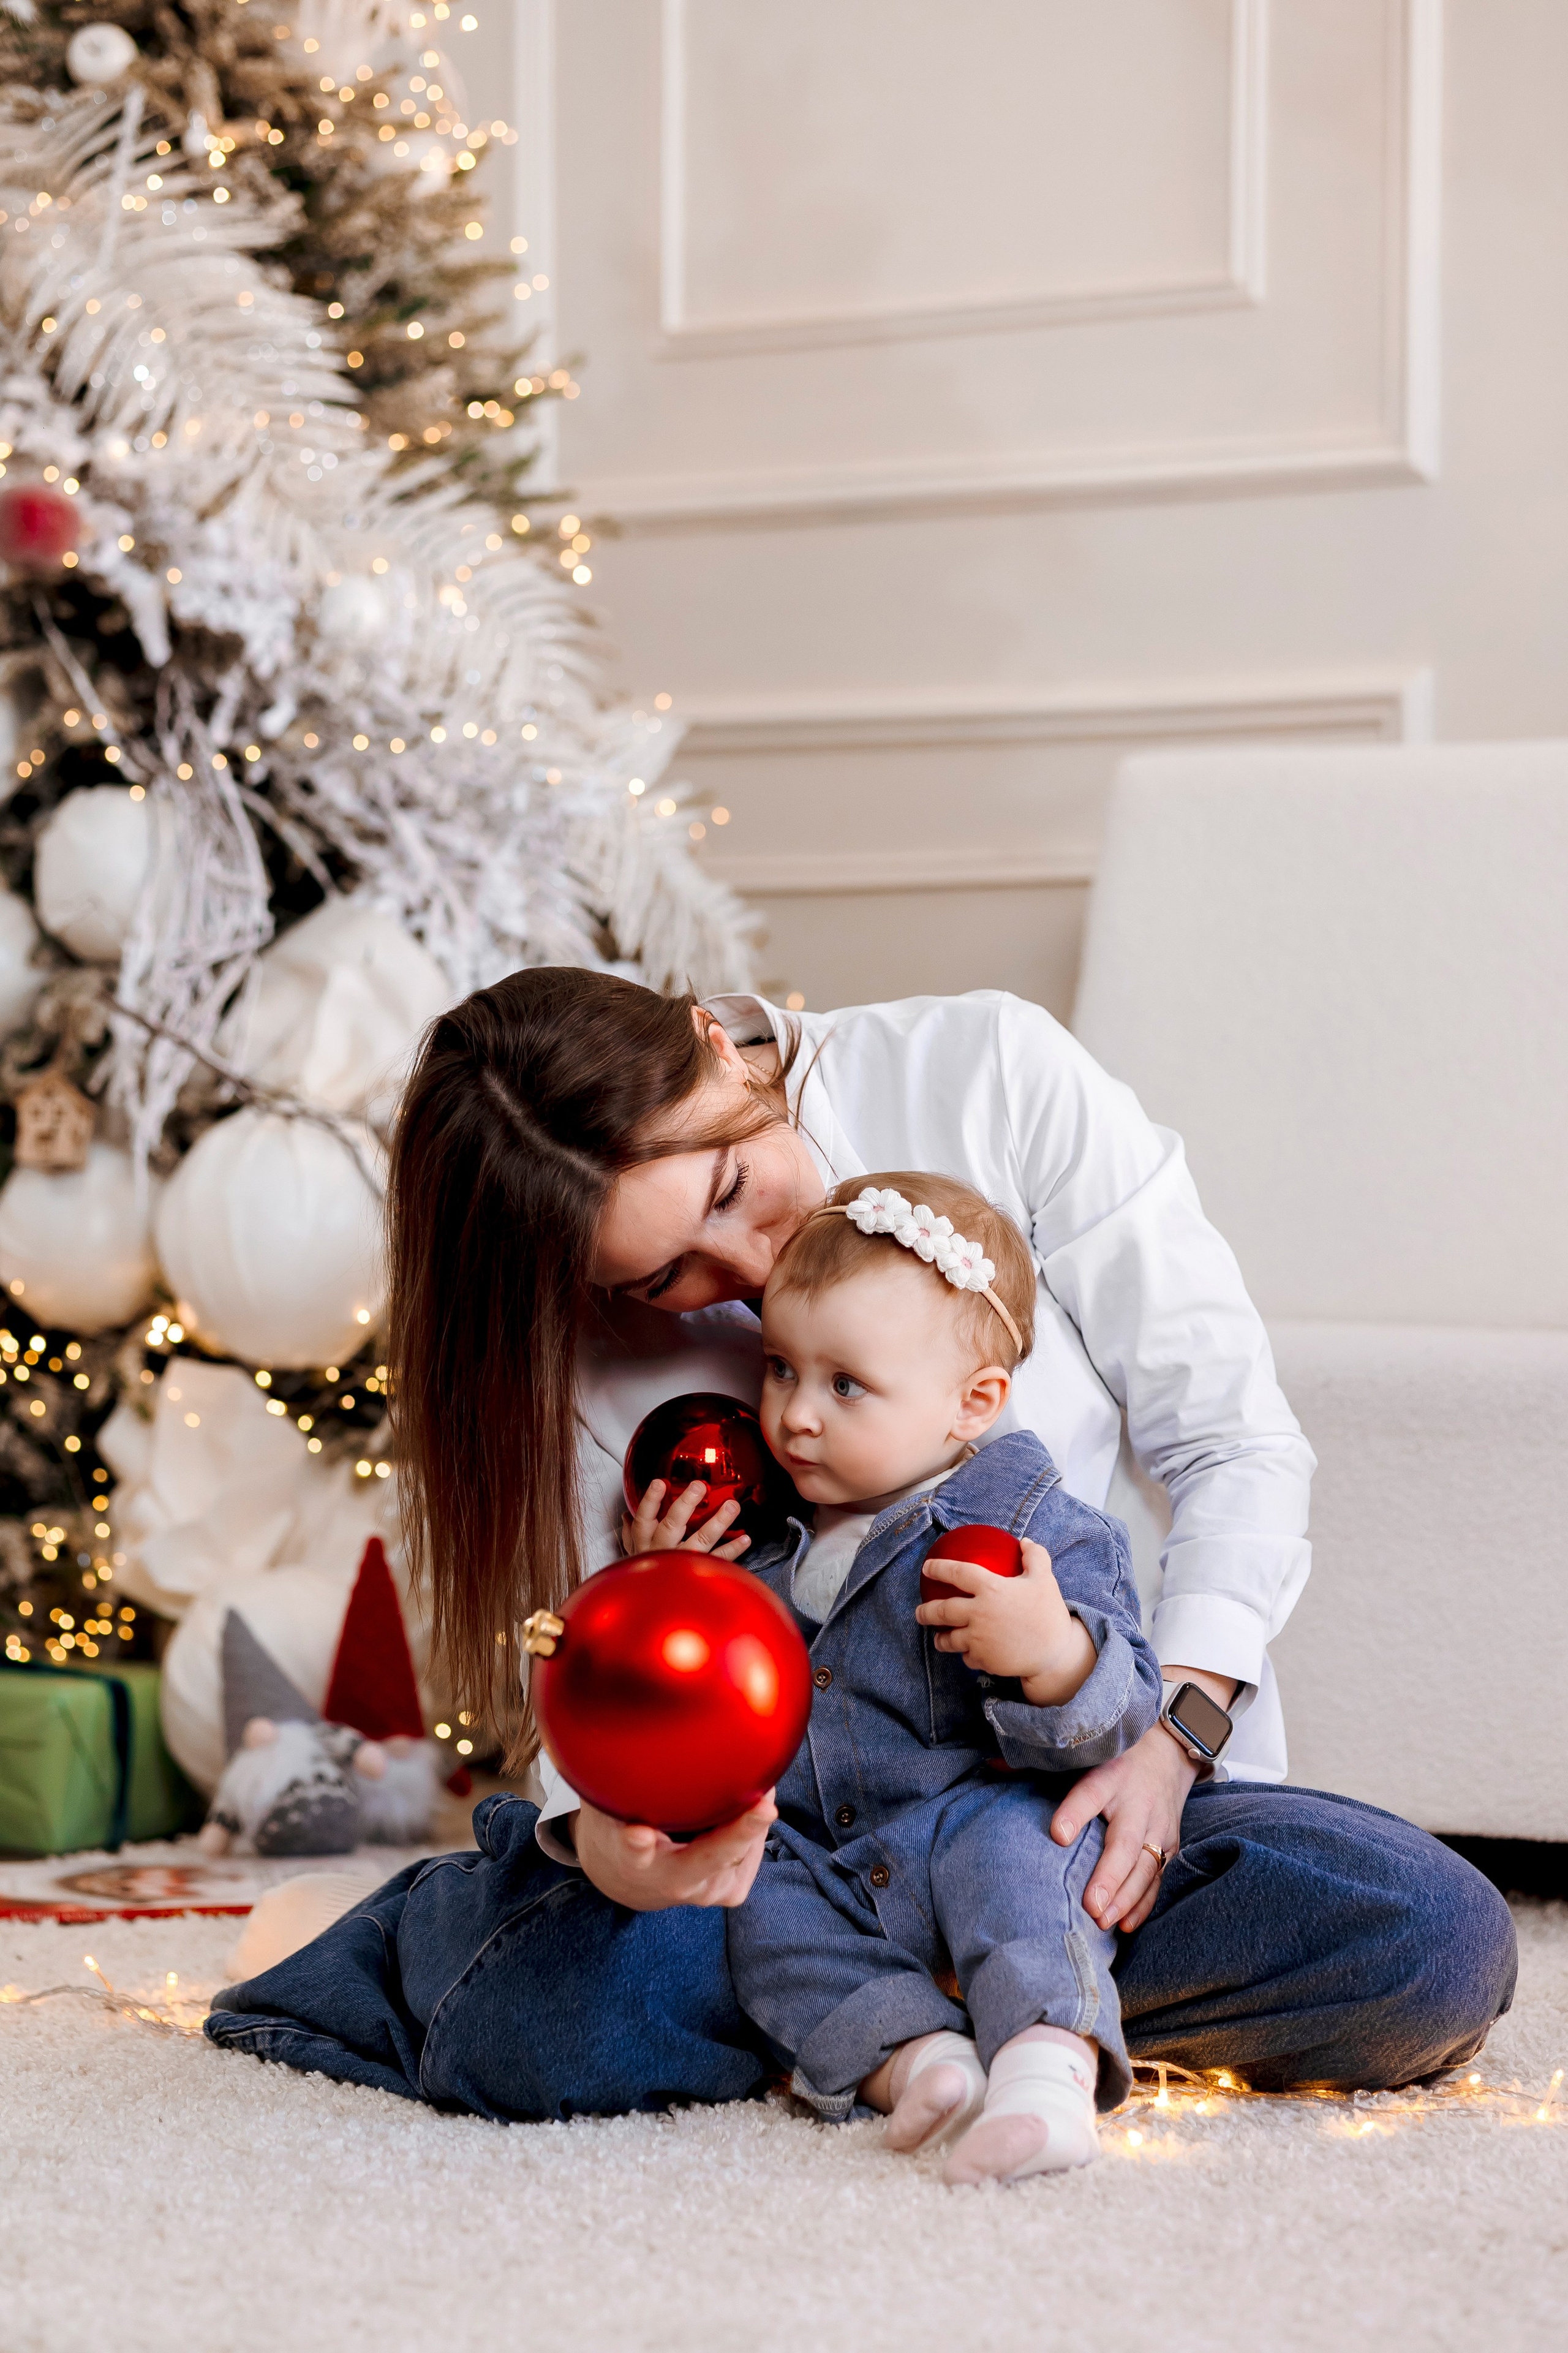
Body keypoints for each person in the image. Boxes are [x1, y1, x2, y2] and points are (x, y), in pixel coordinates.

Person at [206, 970, 1517, 2118]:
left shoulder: (988, 1074)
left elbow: (1230, 1443)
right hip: (783, 1865)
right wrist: (614, 1839)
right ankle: (979, 2012)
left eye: (729, 1183)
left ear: (713, 1042)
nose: (746, 1262)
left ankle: (898, 2015)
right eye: (663, 1276)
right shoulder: (583, 1349)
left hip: (1072, 1813)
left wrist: (1171, 1746)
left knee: (1430, 1942)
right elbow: (593, 1680)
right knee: (547, 2018)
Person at [633, 1171, 1163, 2183]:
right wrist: (670, 1584)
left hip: (972, 1819)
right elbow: (699, 1710)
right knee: (758, 1903)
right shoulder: (760, 1538)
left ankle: (1046, 2079)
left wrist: (1053, 1653)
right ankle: (915, 2060)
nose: (794, 1416)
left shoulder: (1028, 1527)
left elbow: (1121, 1710)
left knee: (1030, 1864)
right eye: (780, 1369)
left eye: (845, 1385)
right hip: (821, 1851)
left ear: (974, 1403)